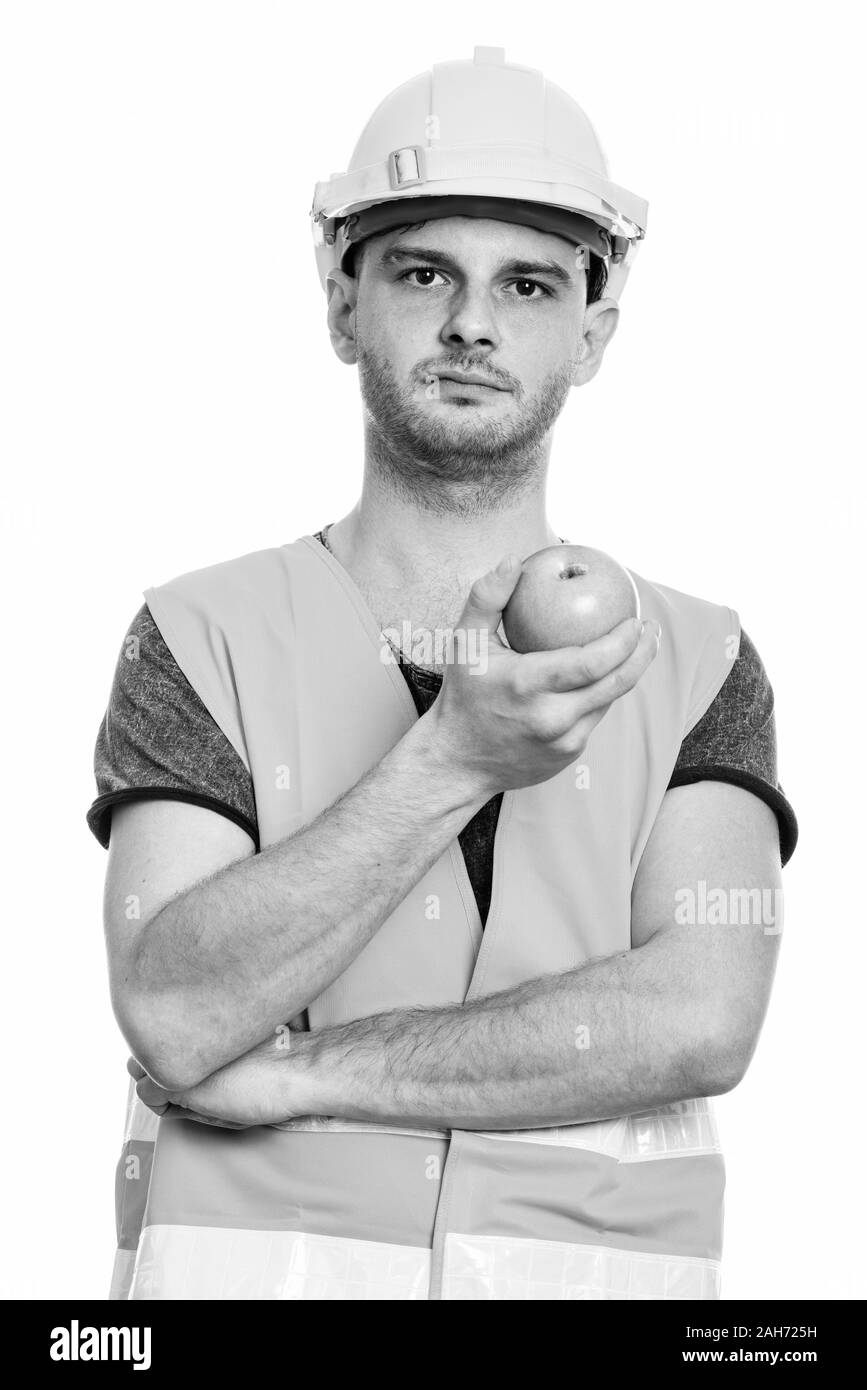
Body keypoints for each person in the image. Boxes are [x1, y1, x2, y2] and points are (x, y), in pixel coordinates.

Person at [88, 48, 798, 1301]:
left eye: (528, 283)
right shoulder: (200, 636)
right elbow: (179, 1010)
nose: (473, 322)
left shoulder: (698, 663)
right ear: (341, 303)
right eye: (425, 271)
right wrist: (453, 759)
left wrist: (310, 1070)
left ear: (593, 333)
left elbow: (702, 1017)